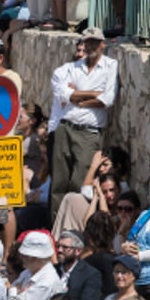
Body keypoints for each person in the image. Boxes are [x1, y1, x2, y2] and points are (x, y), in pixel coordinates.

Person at [49, 27, 119, 216]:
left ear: (102, 44)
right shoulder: (73, 67)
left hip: (89, 132)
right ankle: (56, 229)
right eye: (87, 42)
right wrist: (93, 95)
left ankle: (76, 226)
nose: (90, 46)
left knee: (81, 182)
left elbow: (108, 99)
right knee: (59, 182)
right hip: (66, 126)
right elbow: (64, 94)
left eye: (94, 42)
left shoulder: (110, 65)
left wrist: (78, 98)